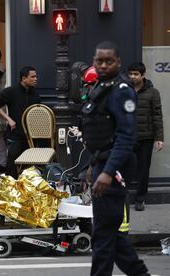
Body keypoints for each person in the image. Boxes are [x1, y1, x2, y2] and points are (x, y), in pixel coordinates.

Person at [81, 41, 150, 276]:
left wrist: (108, 172)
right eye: (99, 60)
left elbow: (125, 137)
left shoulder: (122, 91)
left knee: (103, 234)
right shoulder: (101, 86)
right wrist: (94, 165)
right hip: (103, 162)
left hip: (116, 166)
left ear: (118, 62)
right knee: (109, 232)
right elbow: (101, 133)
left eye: (108, 61)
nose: (103, 65)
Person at [0, 66, 41, 178]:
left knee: (29, 165)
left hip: (32, 136)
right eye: (32, 77)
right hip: (15, 134)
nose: (36, 79)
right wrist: (8, 120)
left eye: (36, 76)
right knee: (13, 162)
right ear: (24, 78)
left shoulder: (35, 94)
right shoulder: (11, 91)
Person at [128, 62, 164, 211]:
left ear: (143, 75)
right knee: (126, 167)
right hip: (127, 137)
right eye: (130, 74)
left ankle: (140, 199)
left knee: (143, 169)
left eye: (136, 74)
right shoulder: (125, 91)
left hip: (146, 137)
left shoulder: (152, 92)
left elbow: (157, 115)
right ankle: (124, 196)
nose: (132, 77)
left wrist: (159, 138)